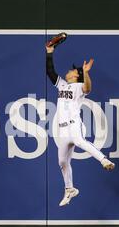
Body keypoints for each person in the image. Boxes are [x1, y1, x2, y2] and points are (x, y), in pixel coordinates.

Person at [46, 44, 115, 207]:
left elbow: (88, 87)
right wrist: (49, 52)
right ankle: (69, 189)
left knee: (79, 141)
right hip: (62, 130)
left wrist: (85, 72)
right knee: (62, 162)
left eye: (71, 70)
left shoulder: (79, 86)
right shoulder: (62, 85)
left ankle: (104, 159)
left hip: (74, 124)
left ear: (76, 75)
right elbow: (50, 72)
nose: (68, 71)